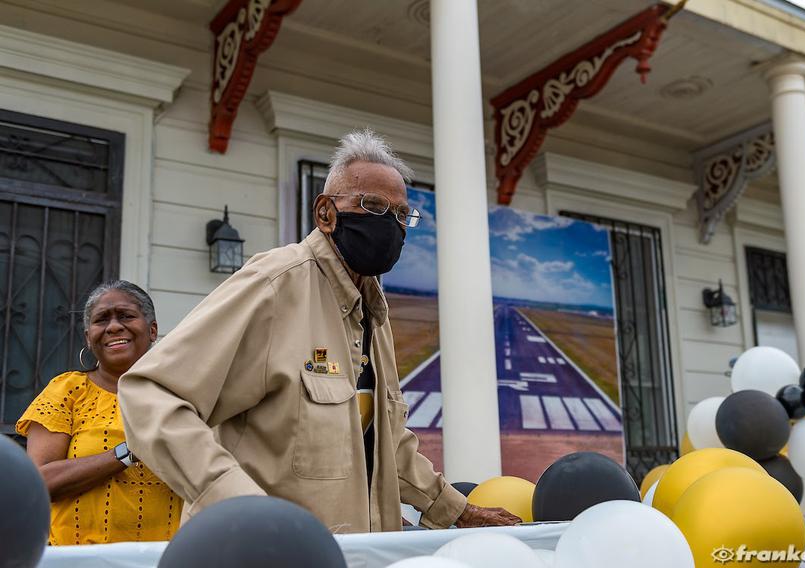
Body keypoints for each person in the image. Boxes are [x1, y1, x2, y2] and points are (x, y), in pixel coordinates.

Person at [119, 130, 520, 533]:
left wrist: (456, 511)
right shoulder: (275, 283)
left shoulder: (373, 314)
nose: (390, 224)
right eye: (373, 205)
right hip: (267, 554)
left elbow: (387, 442)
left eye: (401, 215)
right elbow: (150, 393)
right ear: (326, 213)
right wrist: (237, 504)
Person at [15, 281, 183, 544]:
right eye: (101, 320)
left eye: (126, 316)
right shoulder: (67, 391)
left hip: (162, 556)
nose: (114, 326)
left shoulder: (181, 393)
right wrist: (129, 452)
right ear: (88, 337)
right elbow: (36, 482)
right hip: (79, 558)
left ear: (152, 330)